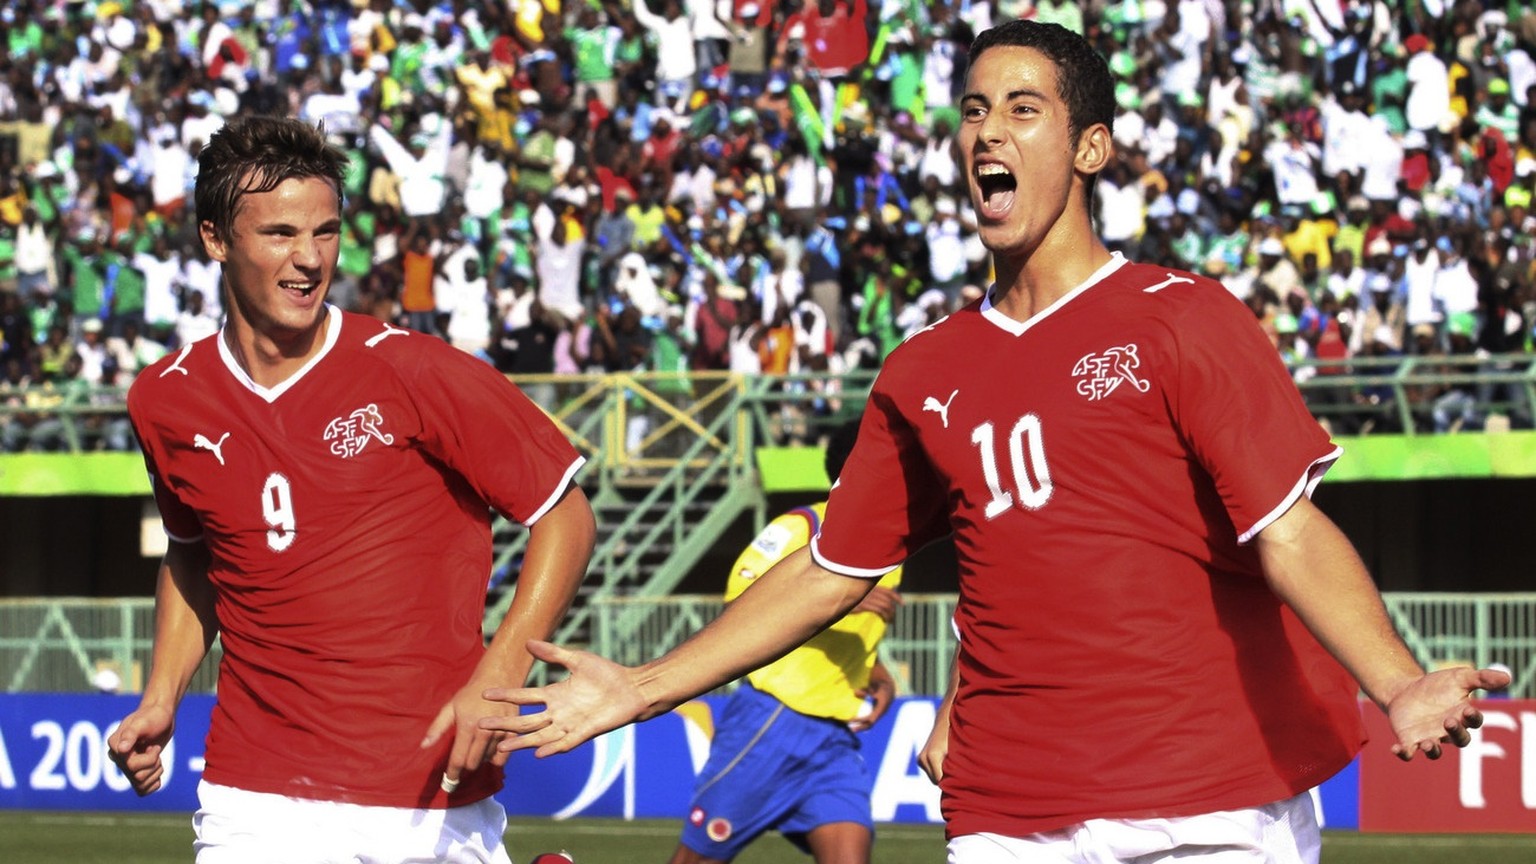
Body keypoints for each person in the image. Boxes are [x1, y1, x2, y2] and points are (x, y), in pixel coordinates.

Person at [476, 20, 1513, 864]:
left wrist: (1397, 680)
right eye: (974, 111)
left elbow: (1289, 533)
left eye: (1025, 109)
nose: (989, 133)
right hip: (1009, 815)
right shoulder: (924, 368)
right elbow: (843, 568)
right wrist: (644, 686)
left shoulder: (1181, 317)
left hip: (1210, 804)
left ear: (1089, 148)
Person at [106, 116, 597, 864]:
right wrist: (161, 694)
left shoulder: (415, 369)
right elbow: (195, 553)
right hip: (254, 793)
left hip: (425, 787)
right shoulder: (164, 400)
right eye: (279, 234)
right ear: (214, 238)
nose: (309, 259)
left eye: (326, 232)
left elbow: (564, 514)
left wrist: (500, 673)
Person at [668, 417, 902, 864]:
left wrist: (877, 672)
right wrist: (839, 601)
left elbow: (851, 636)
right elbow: (741, 596)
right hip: (771, 721)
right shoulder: (803, 526)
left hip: (833, 738)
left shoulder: (891, 546)